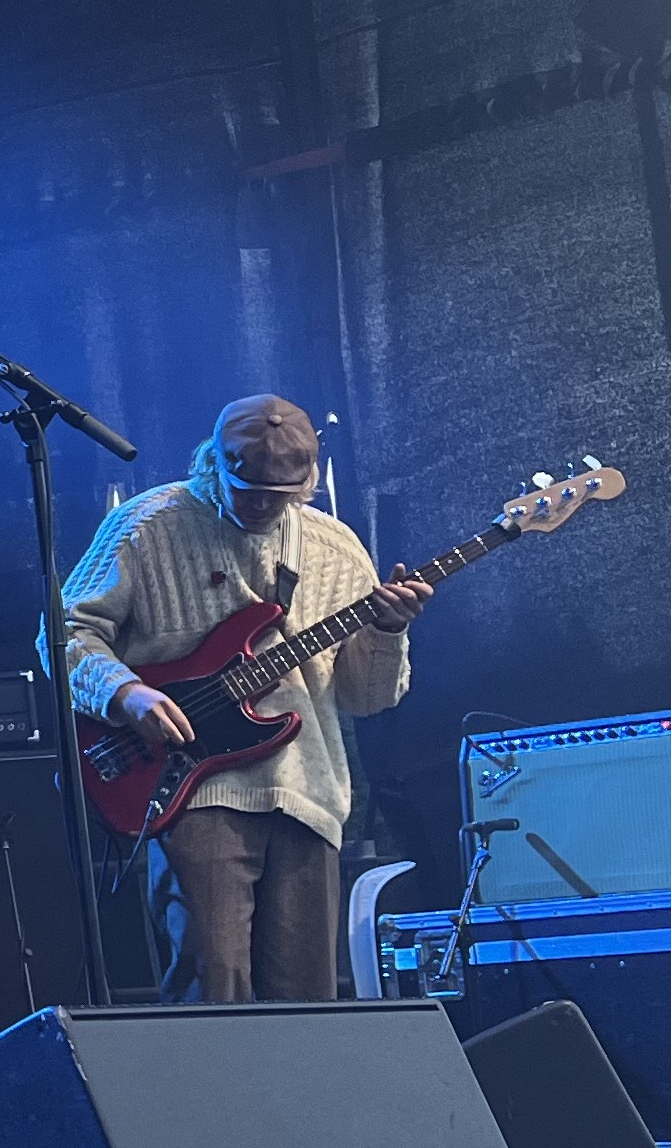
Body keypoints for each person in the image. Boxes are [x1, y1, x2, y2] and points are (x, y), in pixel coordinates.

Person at [56, 393, 432, 1005]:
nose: (261, 505)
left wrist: (390, 631)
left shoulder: (335, 550)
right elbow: (65, 630)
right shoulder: (150, 525)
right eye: (246, 489)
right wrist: (126, 695)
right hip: (193, 791)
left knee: (307, 1002)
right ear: (211, 464)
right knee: (214, 990)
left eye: (278, 495)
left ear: (306, 482)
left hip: (308, 795)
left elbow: (366, 698)